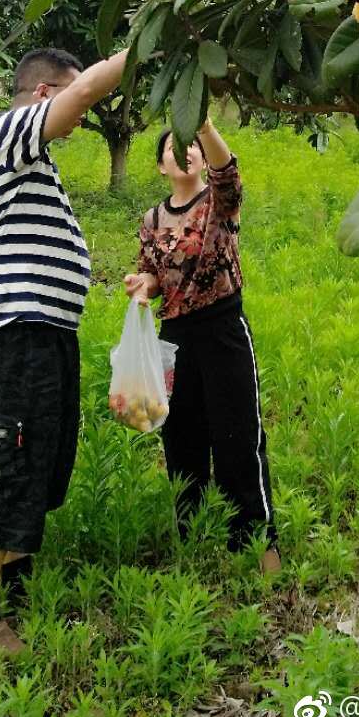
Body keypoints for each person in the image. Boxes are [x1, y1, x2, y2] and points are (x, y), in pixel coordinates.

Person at [0, 44, 130, 654]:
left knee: (40, 463)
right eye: (68, 100)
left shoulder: (34, 164)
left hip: (46, 336)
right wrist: (151, 45)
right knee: (1, 463)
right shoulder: (4, 135)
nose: (80, 121)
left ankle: (18, 589)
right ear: (41, 95)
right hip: (17, 335)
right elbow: (82, 95)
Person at [123, 116, 281, 575]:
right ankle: (194, 544)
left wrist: (204, 124)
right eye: (176, 145)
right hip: (176, 338)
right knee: (182, 442)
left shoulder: (219, 203)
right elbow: (152, 272)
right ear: (160, 166)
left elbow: (227, 171)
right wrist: (142, 285)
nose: (186, 149)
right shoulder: (151, 220)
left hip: (223, 331)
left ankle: (258, 548)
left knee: (238, 439)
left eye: (193, 143)